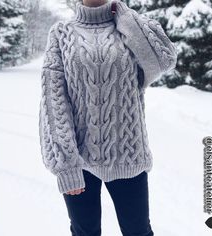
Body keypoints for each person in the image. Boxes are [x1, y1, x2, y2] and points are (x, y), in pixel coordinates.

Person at [38, 0, 177, 235]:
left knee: (138, 232)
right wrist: (65, 164)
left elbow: (165, 60)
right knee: (85, 232)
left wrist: (124, 17)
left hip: (129, 155)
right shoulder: (61, 33)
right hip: (79, 161)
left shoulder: (129, 26)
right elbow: (53, 101)